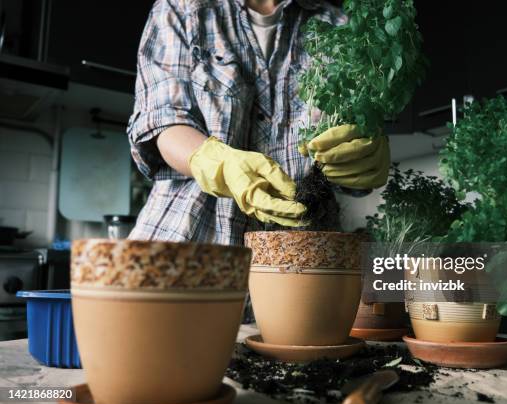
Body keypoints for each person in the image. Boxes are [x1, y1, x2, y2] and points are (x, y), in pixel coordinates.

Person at [127, 0, 390, 244]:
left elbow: (351, 135)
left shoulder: (340, 26)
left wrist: (364, 154)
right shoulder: (184, 8)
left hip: (307, 244)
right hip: (190, 237)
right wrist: (217, 163)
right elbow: (162, 119)